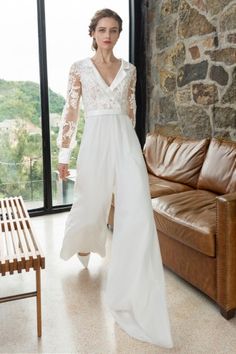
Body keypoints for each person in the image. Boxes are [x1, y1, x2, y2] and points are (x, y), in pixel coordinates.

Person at [57, 8, 173, 348]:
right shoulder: (79, 69)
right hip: (94, 141)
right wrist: (64, 154)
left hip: (124, 143)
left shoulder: (130, 70)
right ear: (93, 33)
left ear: (119, 34)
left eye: (114, 30)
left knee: (137, 212)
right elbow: (72, 110)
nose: (108, 35)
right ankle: (84, 242)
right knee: (89, 202)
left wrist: (138, 152)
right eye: (102, 29)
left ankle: (131, 290)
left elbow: (132, 111)